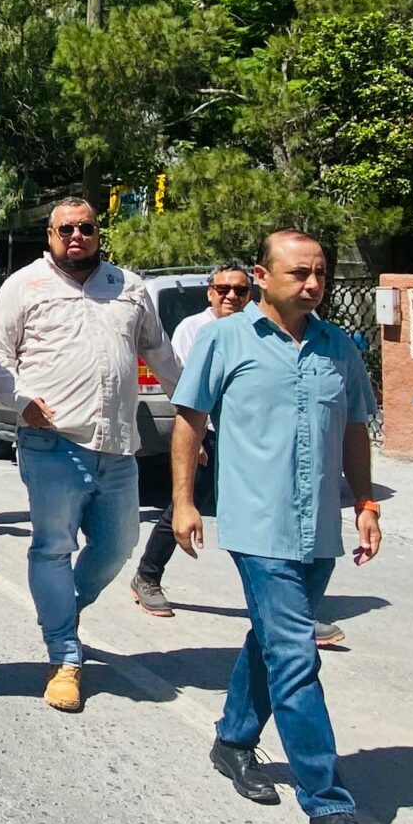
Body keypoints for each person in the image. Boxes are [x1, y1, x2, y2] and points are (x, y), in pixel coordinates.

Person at [170, 231, 386, 824]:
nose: (314, 284)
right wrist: (183, 502)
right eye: (300, 273)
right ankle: (329, 808)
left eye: (320, 273)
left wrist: (366, 503)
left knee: (271, 639)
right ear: (264, 276)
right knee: (296, 653)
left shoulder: (338, 346)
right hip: (256, 525)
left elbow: (353, 427)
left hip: (318, 526)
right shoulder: (223, 338)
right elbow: (190, 422)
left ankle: (234, 738)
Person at [0, 196, 181, 713]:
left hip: (117, 445)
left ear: (97, 232)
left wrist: (194, 416)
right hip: (51, 443)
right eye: (65, 229)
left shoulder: (128, 287)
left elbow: (159, 354)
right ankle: (65, 656)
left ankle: (61, 612)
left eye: (86, 228)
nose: (76, 237)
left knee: (118, 545)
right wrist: (19, 401)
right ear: (49, 235)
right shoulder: (24, 285)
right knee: (53, 548)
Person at [130, 260, 254, 617]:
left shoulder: (257, 329)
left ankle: (286, 603)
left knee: (254, 518)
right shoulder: (194, 328)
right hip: (209, 436)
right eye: (223, 289)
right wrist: (194, 439)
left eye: (240, 290)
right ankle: (147, 576)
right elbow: (182, 389)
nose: (231, 295)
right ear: (210, 292)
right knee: (182, 508)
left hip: (244, 441)